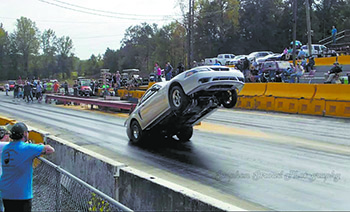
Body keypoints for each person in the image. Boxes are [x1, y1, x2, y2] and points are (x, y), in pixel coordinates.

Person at [0, 122, 55, 212]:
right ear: (25, 134)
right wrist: (39, 146)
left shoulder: (6, 148)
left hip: (7, 192)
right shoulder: (28, 148)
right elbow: (50, 150)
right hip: (21, 194)